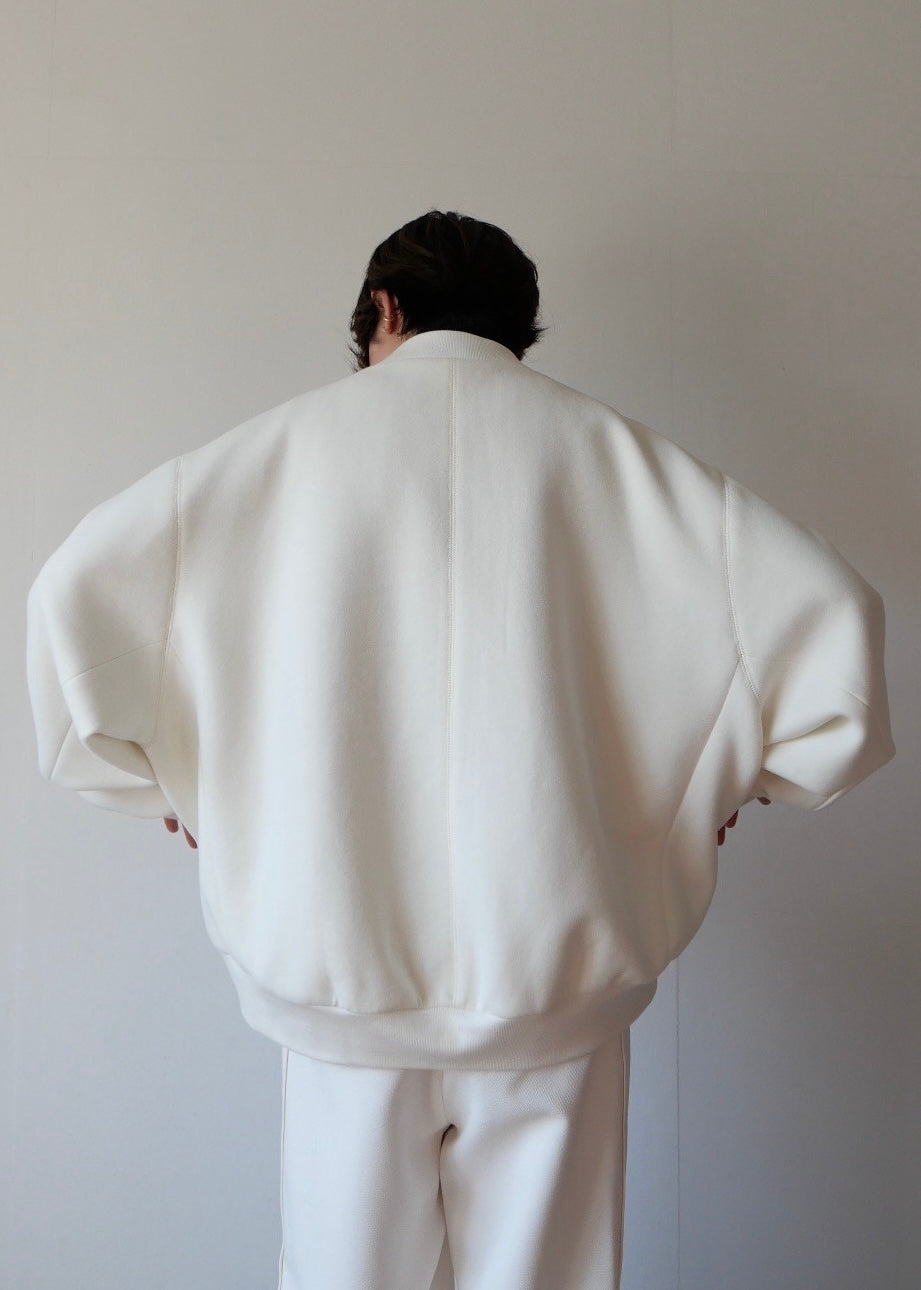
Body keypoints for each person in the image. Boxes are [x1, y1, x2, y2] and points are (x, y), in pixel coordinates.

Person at [26, 209, 895, 1290]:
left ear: (384, 308)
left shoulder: (258, 463)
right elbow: (832, 636)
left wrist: (172, 779)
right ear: (516, 324)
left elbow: (74, 608)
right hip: (555, 999)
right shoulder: (632, 468)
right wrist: (742, 777)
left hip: (338, 992)